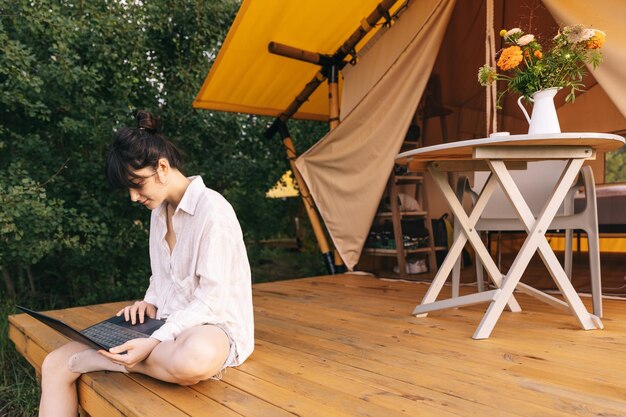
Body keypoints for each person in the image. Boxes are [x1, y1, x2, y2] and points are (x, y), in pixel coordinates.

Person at [38, 110, 254, 417]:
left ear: (162, 167)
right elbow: (161, 277)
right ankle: (123, 355)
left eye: (137, 184)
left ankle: (105, 359)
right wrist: (149, 303)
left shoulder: (213, 211)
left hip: (209, 327)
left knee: (194, 357)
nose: (133, 197)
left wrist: (154, 340)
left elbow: (212, 301)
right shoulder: (159, 212)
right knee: (54, 363)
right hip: (164, 324)